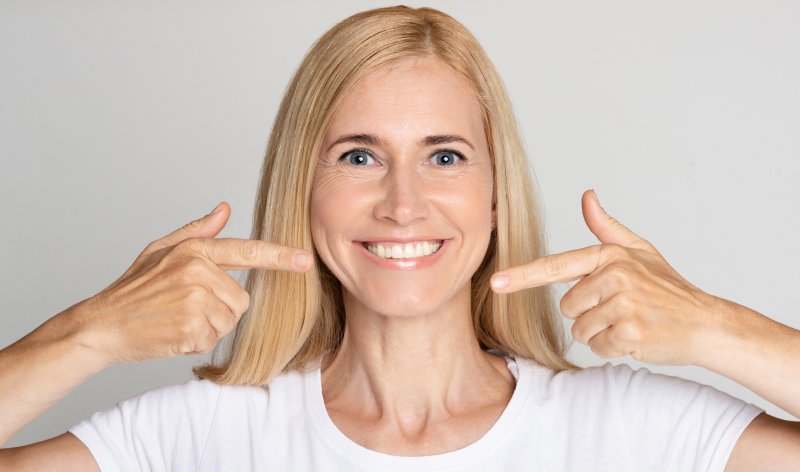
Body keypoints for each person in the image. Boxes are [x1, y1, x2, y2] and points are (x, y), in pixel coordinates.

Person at [1, 5, 798, 471]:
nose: (402, 203)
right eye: (358, 157)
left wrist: (710, 326)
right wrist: (91, 333)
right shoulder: (199, 435)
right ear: (301, 192)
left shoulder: (628, 431)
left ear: (495, 199)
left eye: (444, 156)